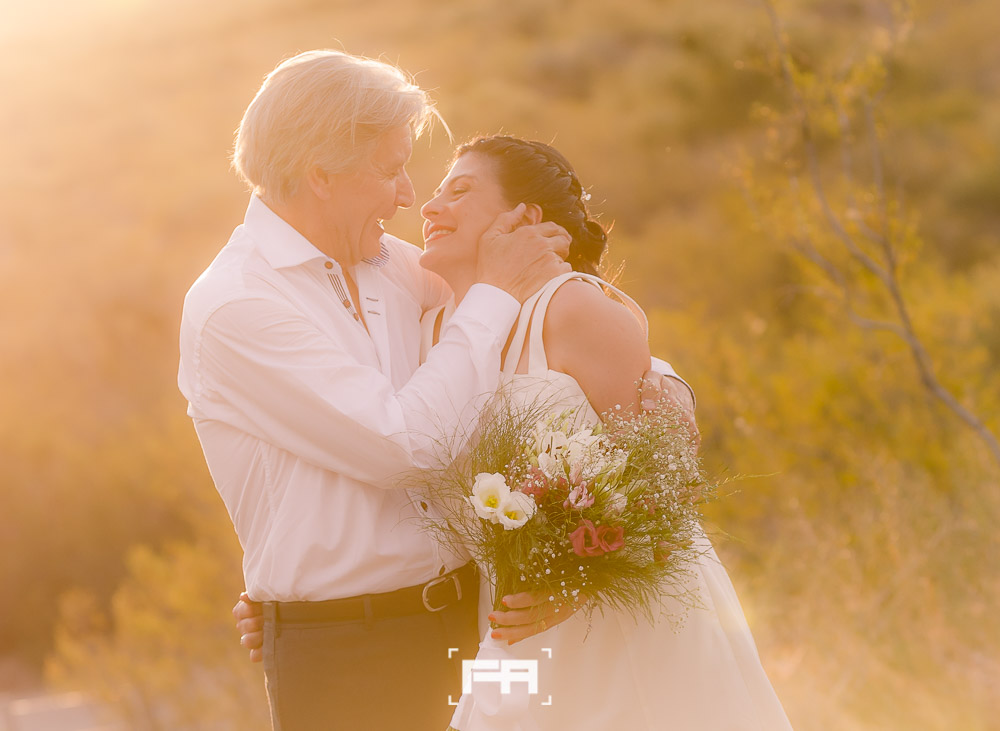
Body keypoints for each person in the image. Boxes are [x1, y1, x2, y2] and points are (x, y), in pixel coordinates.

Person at [181, 51, 690, 731]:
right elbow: (404, 444)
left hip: (475, 622)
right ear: (320, 173)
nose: (406, 196)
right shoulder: (238, 304)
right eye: (391, 169)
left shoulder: (386, 263)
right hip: (349, 651)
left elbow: (546, 321)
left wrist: (663, 389)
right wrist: (291, 603)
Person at [416, 135, 794, 730]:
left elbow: (666, 484)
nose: (430, 207)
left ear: (525, 218)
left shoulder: (572, 309)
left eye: (459, 191)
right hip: (508, 620)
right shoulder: (431, 329)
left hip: (624, 618)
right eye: (435, 193)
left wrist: (580, 583)